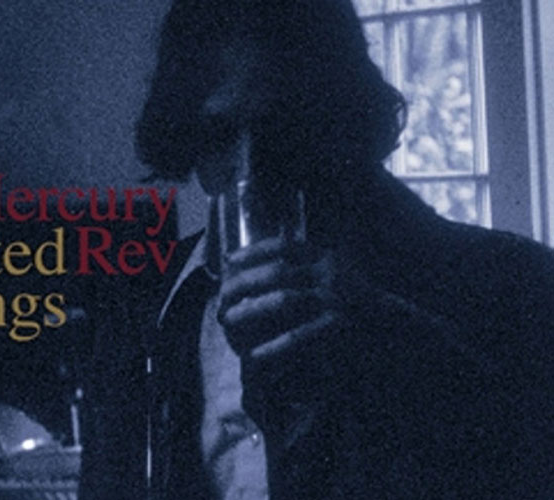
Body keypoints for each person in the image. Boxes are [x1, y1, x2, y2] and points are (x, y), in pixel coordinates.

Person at [79, 0, 554, 498]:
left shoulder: (513, 284)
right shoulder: (141, 307)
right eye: (219, 135)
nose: (252, 170)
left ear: (343, 121)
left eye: (283, 129)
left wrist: (396, 346)